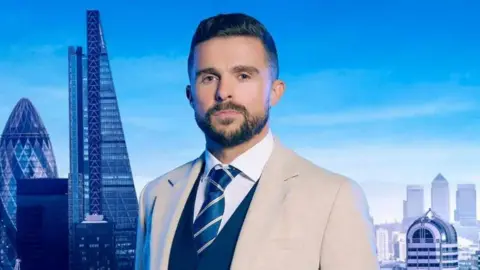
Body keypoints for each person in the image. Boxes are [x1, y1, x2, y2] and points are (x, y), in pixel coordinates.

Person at [135, 13, 379, 270]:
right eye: (209, 77)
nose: (223, 92)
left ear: (275, 92)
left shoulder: (334, 197)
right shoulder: (157, 195)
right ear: (190, 95)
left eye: (243, 76)